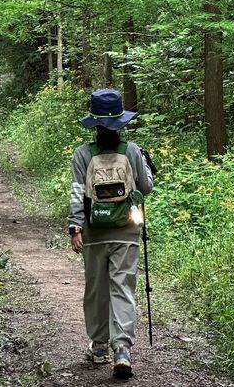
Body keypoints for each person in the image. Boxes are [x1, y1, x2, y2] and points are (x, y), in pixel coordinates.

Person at [68, 88, 154, 379]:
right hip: (127, 231)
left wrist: (75, 226)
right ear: (121, 122)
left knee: (95, 290)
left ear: (94, 123)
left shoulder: (82, 154)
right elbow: (146, 187)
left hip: (93, 233)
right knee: (123, 288)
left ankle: (100, 346)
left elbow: (77, 193)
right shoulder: (131, 151)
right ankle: (122, 349)